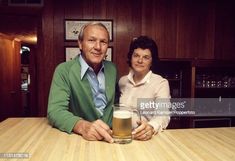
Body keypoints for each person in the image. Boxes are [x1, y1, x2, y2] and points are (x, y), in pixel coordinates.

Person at [47, 22, 117, 143]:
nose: (98, 47)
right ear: (80, 44)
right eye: (91, 40)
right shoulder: (64, 70)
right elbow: (55, 111)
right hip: (81, 140)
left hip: (112, 138)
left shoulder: (112, 69)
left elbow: (116, 105)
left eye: (103, 42)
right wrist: (83, 127)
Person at [118, 36, 171, 141]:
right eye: (136, 55)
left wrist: (151, 127)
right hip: (122, 136)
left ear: (152, 61)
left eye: (146, 57)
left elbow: (163, 115)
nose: (140, 60)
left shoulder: (161, 83)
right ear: (131, 57)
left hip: (146, 139)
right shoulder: (122, 81)